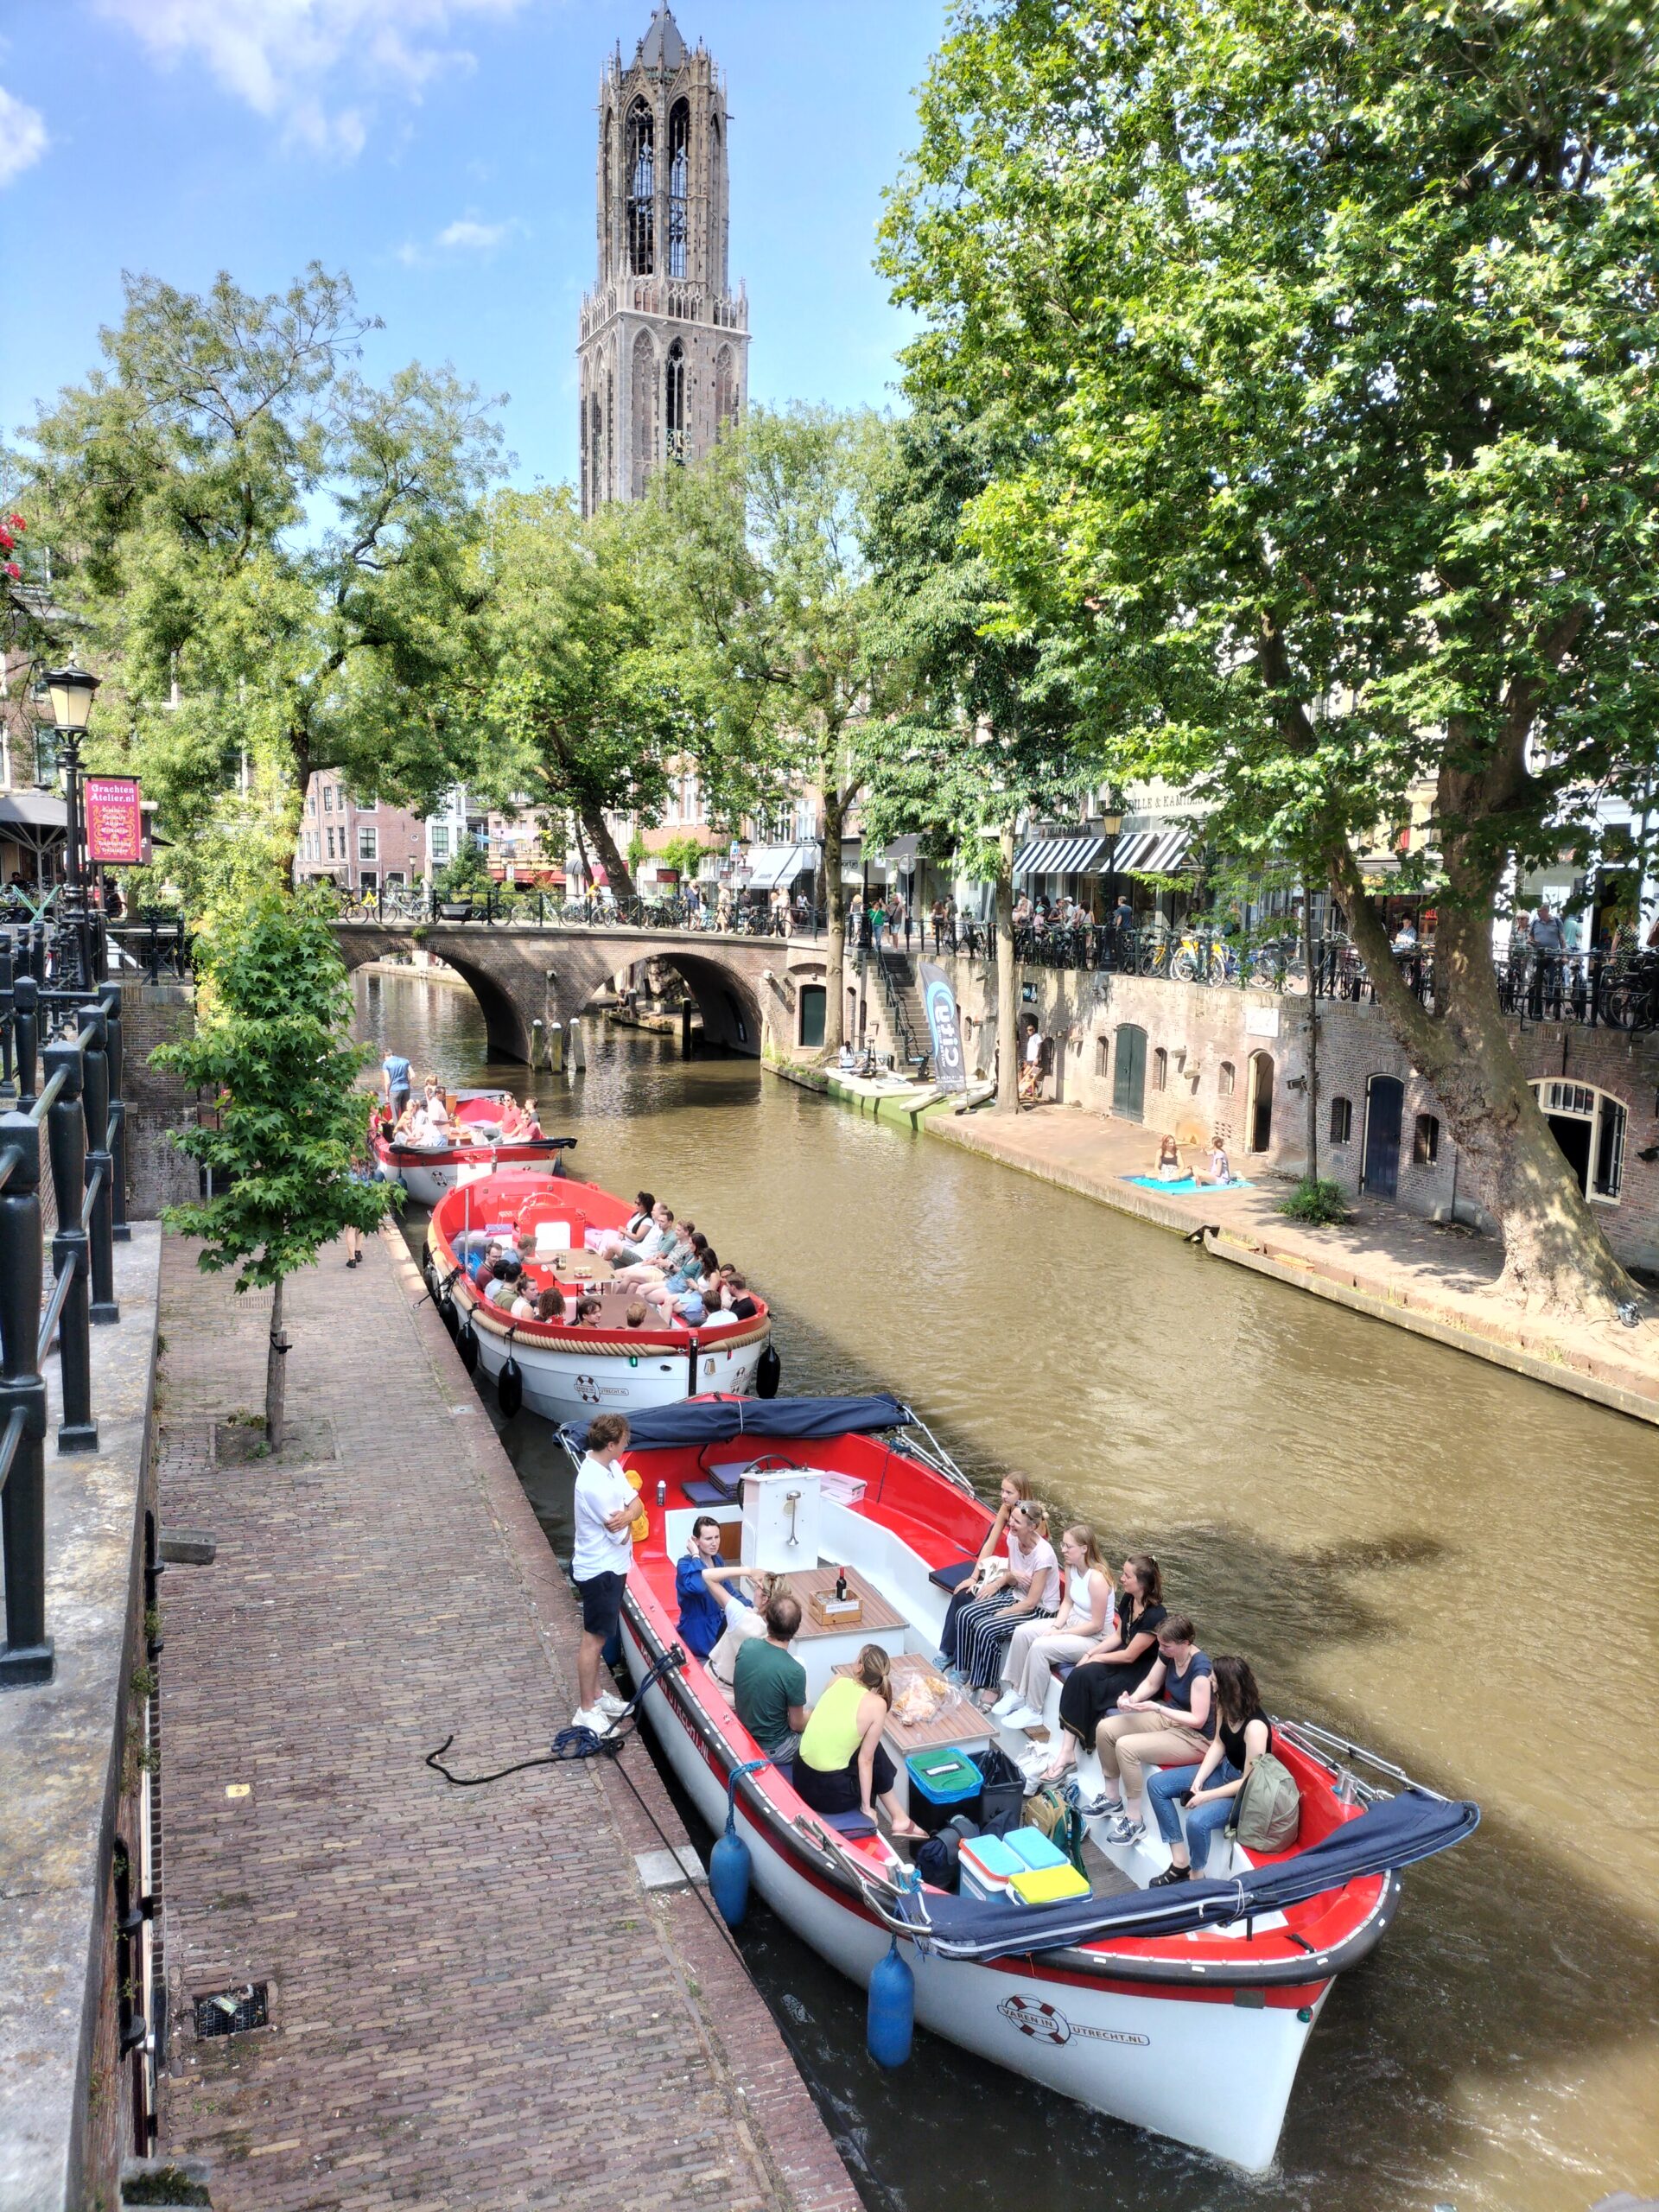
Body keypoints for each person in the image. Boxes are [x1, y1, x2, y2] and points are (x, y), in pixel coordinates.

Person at [1144, 1654, 1273, 1885]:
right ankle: (1179, 1862)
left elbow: (1248, 1781)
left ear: (1227, 1685)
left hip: (1243, 1793)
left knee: (1197, 1821)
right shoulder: (1225, 1705)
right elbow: (1218, 1744)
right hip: (1223, 1771)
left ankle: (1197, 1876)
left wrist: (1205, 1796)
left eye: (1214, 1680)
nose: (1210, 1682)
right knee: (1157, 1785)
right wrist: (1199, 1780)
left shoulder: (1255, 1728)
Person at [1045, 1554, 1169, 1783]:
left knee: (1091, 1678)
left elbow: (1131, 1655)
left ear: (1141, 1583)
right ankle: (1067, 1752)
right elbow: (1119, 1636)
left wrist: (1096, 1660)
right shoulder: (1129, 1600)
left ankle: (1073, 1750)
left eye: (1127, 1576)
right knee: (1080, 1675)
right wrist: (1091, 1653)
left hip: (1140, 1671)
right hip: (1121, 1658)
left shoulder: (1156, 1615)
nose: (1121, 1579)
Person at [1094, 1616, 1217, 1845]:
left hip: (1196, 1738)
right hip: (1170, 1717)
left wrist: (1157, 1709)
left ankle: (1134, 1820)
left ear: (1185, 1643)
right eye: (1160, 1644)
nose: (1161, 1649)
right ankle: (1111, 1797)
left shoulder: (1201, 1671)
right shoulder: (1168, 1654)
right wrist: (1131, 1700)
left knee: (1127, 1747)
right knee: (1106, 1728)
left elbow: (1198, 1720)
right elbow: (1151, 1684)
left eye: (1166, 1646)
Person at [991, 1524, 1116, 1736]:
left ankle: (1033, 1708)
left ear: (1085, 1548)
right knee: (1023, 1632)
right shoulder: (1071, 1567)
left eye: (1069, 1546)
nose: (1064, 1550)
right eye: (1063, 1545)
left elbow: (1096, 1624)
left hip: (1095, 1637)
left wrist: (1061, 1633)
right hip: (1071, 1622)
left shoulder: (1097, 1579)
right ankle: (1016, 1691)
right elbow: (1067, 1601)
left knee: (1041, 1647)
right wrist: (1057, 1625)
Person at [791, 1645, 926, 1839]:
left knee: (865, 1746)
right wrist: (867, 1808)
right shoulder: (877, 1705)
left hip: (801, 1775)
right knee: (872, 1752)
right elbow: (866, 1760)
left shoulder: (837, 1680)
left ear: (859, 1667)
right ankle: (894, 1819)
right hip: (829, 1796)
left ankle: (899, 1818)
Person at [569, 1413, 638, 1732]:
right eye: (624, 1441)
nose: (627, 1444)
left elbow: (635, 1504)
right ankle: (586, 1709)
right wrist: (630, 1518)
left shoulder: (608, 1466)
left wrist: (629, 1515)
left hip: (613, 1566)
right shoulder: (595, 1484)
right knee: (593, 1640)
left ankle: (597, 1695)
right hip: (601, 1570)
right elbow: (621, 1533)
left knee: (598, 1636)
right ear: (611, 1444)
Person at [962, 1501, 1061, 1700]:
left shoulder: (1043, 1555)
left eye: (1017, 1521)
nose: (1011, 1524)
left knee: (987, 1627)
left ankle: (992, 1687)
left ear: (1032, 1527)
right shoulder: (1013, 1540)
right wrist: (1011, 1575)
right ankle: (968, 1672)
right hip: (1017, 1595)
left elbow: (1032, 1603)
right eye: (1012, 1519)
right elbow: (1010, 1574)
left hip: (1039, 1609)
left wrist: (1002, 1613)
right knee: (966, 1614)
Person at [937, 1471, 1034, 1670]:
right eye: (1002, 1490)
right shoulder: (1006, 1510)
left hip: (1019, 1579)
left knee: (978, 1602)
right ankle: (946, 1653)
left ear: (1021, 1493)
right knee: (962, 1594)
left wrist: (1001, 1582)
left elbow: (1032, 1561)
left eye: (1009, 1492)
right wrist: (974, 1577)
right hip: (1008, 1570)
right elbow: (991, 1542)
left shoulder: (1032, 1519)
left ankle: (965, 1665)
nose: (1003, 1496)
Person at [733, 1593, 810, 1761]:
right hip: (774, 1748)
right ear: (796, 1628)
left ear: (767, 1619)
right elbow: (797, 1725)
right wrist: (816, 1713)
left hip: (744, 1732)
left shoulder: (747, 1646)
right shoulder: (795, 1671)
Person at [675, 1515, 750, 1660]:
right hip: (698, 1633)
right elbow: (698, 1587)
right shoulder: (684, 1565)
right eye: (709, 1539)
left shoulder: (717, 1560)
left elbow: (729, 1591)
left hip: (717, 1626)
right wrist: (696, 1556)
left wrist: (751, 1607)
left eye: (717, 1537)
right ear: (696, 1541)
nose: (714, 1543)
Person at [707, 1569, 785, 1692]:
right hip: (739, 1693)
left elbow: (707, 1576)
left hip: (713, 1681)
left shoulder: (740, 1615)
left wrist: (748, 1571)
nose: (755, 1590)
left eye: (757, 1588)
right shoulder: (778, 1632)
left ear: (764, 1599)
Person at [381, 1049, 413, 1123]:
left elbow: (387, 1082)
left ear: (385, 1056)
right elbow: (412, 1075)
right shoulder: (405, 1061)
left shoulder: (386, 1064)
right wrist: (407, 1083)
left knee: (395, 1115)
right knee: (405, 1111)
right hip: (406, 1089)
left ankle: (397, 1132)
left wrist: (386, 1094)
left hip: (394, 1090)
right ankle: (407, 1131)